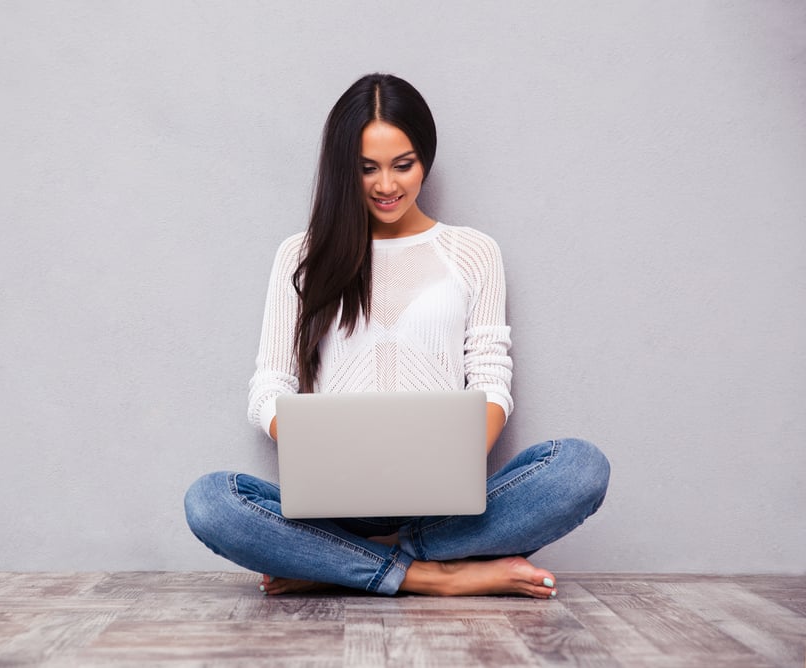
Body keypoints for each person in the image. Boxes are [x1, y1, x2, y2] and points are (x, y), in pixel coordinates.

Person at [184, 73, 610, 598]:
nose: (387, 185)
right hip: (338, 510)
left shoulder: (473, 252)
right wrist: (329, 451)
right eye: (368, 169)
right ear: (344, 169)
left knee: (580, 468)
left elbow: (492, 378)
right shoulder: (301, 256)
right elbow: (268, 388)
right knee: (210, 501)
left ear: (424, 160)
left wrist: (451, 459)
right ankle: (433, 575)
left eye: (402, 165)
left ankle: (344, 566)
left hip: (446, 506)